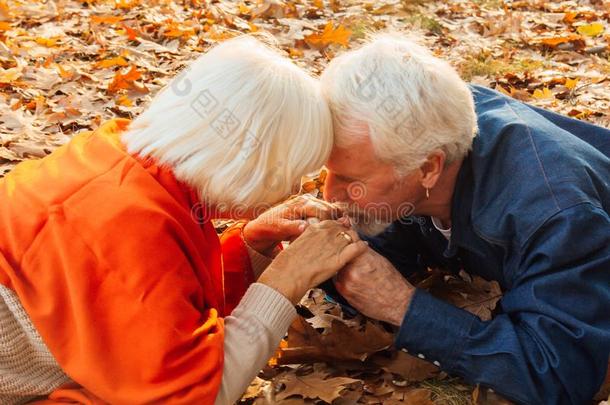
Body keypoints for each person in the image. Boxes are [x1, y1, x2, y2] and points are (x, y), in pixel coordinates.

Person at [0, 35, 367, 404]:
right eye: (290, 170)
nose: (292, 186)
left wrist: (250, 248)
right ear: (246, 159)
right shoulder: (128, 226)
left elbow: (153, 309)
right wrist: (288, 278)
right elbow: (194, 394)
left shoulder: (123, 169)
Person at [320, 34, 610, 404]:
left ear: (428, 167)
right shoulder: (423, 130)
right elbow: (383, 254)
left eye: (349, 180)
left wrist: (404, 307)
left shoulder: (555, 214)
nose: (329, 194)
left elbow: (557, 374)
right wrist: (300, 253)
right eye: (328, 171)